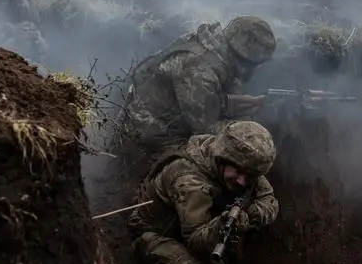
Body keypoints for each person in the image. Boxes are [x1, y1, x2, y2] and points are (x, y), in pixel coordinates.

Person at [127, 120, 279, 264]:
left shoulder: (241, 161)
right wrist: (222, 225)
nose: (242, 181)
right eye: (238, 173)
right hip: (155, 234)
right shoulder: (189, 181)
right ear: (223, 157)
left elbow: (270, 201)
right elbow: (197, 242)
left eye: (250, 176)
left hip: (192, 223)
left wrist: (249, 216)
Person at [118, 16, 277, 159]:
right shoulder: (199, 69)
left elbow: (208, 97)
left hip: (170, 113)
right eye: (254, 64)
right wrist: (250, 128)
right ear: (242, 57)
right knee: (212, 164)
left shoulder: (211, 43)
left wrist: (249, 104)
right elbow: (205, 129)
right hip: (151, 132)